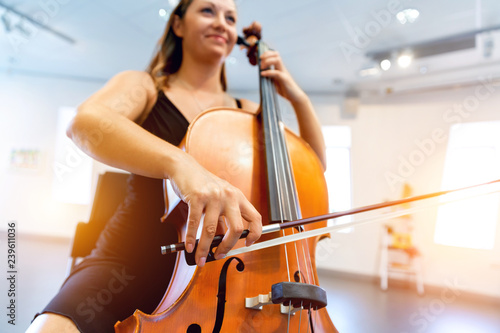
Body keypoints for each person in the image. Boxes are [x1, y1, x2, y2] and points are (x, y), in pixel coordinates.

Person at [27, 0, 326, 332]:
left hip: (216, 281)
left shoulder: (248, 112)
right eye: (208, 11)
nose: (222, 23)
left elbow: (312, 169)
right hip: (126, 266)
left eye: (230, 18)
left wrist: (299, 99)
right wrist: (180, 163)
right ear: (178, 25)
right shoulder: (146, 87)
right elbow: (85, 123)